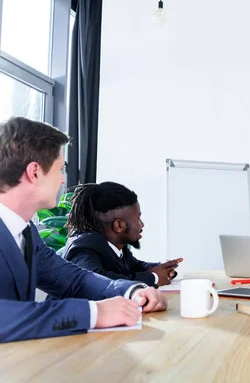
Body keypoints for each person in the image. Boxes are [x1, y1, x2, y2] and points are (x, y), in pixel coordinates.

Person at [0, 117, 167, 343]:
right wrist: (94, 314)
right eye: (60, 169)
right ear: (35, 172)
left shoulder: (25, 231)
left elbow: (74, 279)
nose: (62, 180)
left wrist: (133, 292)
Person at [62, 182, 183, 287]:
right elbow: (97, 282)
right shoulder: (84, 248)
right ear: (119, 225)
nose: (142, 224)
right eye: (138, 219)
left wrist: (163, 269)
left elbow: (136, 266)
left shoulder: (114, 245)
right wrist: (154, 277)